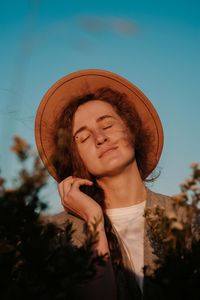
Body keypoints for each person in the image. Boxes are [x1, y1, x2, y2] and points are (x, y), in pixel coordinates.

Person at [35, 69, 171, 299]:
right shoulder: (58, 234)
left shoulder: (186, 218)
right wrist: (93, 219)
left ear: (132, 130)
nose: (100, 138)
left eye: (107, 125)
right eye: (83, 137)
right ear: (76, 157)